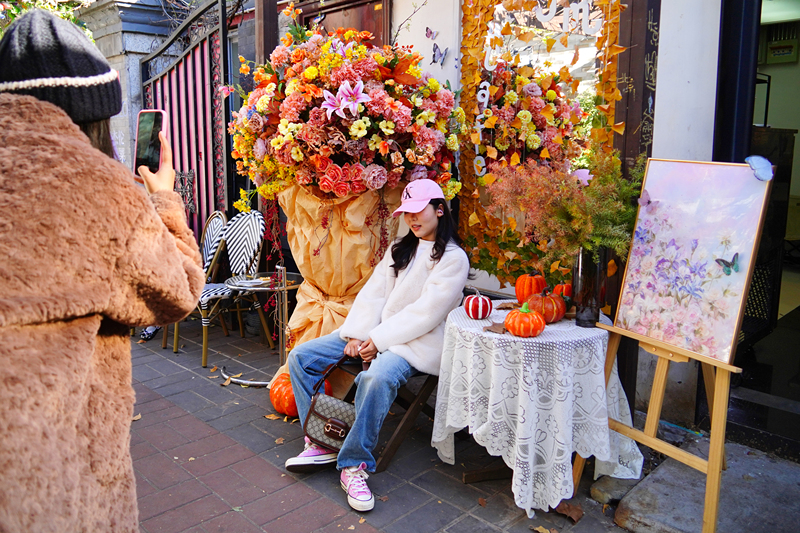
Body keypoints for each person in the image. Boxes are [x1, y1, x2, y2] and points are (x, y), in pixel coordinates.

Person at [0, 10, 204, 532]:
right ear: (95, 117)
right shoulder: (97, 188)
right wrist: (162, 202)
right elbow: (179, 292)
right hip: (54, 479)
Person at [285, 178, 470, 512]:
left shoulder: (454, 259)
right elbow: (374, 294)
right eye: (407, 212)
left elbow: (425, 314)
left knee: (376, 378)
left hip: (415, 344)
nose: (412, 219)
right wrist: (358, 334)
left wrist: (378, 341)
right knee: (301, 357)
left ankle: (353, 464)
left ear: (439, 210)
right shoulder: (402, 246)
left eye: (419, 211)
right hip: (375, 334)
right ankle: (322, 439)